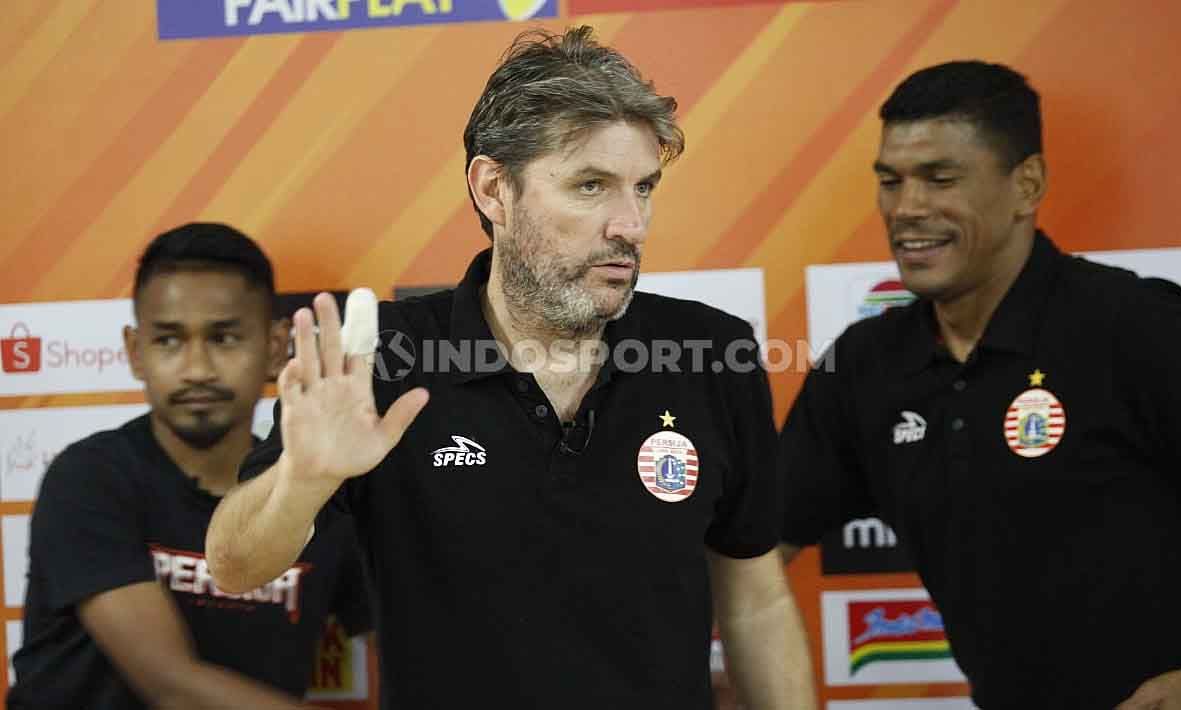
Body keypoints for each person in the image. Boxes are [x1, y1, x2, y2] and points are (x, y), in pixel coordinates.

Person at [205, 26, 816, 710]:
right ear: (494, 189)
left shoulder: (714, 353)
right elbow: (234, 567)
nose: (630, 224)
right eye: (591, 186)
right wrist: (303, 478)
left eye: (643, 188)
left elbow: (755, 601)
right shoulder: (382, 356)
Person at [779, 60, 1181, 709]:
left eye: (940, 179)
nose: (907, 209)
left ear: (1026, 184)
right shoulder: (868, 363)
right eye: (890, 182)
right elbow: (759, 539)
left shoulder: (1138, 326)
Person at [9, 224, 372, 709]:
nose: (197, 368)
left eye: (224, 338)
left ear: (274, 346)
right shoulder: (89, 478)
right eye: (168, 341)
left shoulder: (320, 494)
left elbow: (411, 638)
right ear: (136, 352)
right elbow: (174, 688)